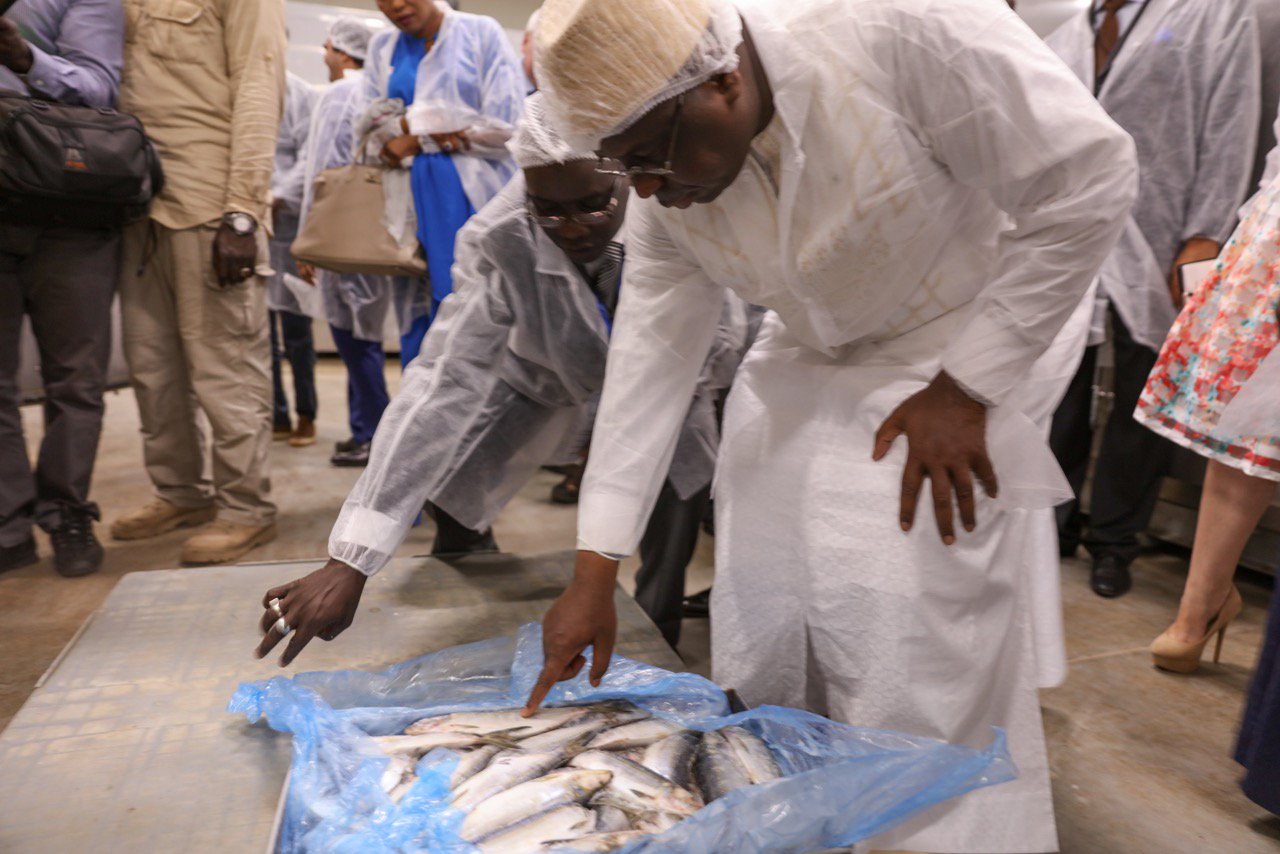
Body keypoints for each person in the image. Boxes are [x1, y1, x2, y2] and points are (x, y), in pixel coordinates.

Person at [522, 0, 1138, 851]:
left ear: (724, 80)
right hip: (810, 339)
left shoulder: (903, 29)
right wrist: (595, 568)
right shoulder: (665, 172)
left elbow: (1088, 176)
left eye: (651, 158)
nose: (651, 191)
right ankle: (803, 815)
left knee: (896, 605)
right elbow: (650, 359)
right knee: (763, 594)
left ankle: (930, 825)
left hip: (965, 328)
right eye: (626, 171)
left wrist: (969, 388)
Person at [252, 96, 749, 665]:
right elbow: (444, 378)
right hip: (542, 374)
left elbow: (716, 346)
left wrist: (620, 431)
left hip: (679, 383)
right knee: (452, 477)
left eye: (593, 205)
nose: (572, 227)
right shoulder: (501, 235)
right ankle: (464, 604)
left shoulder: (673, 210)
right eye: (549, 210)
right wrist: (351, 559)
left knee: (674, 489)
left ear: (623, 174)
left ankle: (651, 638)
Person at [1044, 0, 1260, 599]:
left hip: (1160, 225)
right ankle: (1049, 524)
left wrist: (1207, 232)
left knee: (1141, 393)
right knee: (1058, 378)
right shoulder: (1069, 13)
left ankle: (1114, 540)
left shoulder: (1216, 10)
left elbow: (1231, 117)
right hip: (1069, 221)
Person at [110, 0, 285, 565]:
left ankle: (246, 509)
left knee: (227, 374)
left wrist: (242, 210)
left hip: (208, 206)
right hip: (136, 206)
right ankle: (181, 494)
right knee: (153, 372)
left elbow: (260, 87)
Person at [0, 0, 123, 577]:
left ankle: (68, 511)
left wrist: (22, 55)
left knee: (75, 377)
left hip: (66, 207)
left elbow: (99, 89)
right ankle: (8, 525)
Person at [363, 0, 526, 367]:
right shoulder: (382, 46)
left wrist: (414, 133)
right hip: (405, 200)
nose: (396, 5)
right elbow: (370, 126)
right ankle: (416, 416)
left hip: (468, 196)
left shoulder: (479, 33)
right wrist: (443, 128)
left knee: (471, 310)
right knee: (414, 319)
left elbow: (505, 125)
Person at [298, 17, 395, 469]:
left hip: (341, 231)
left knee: (354, 341)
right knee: (365, 335)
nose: (323, 54)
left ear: (342, 51)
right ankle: (364, 430)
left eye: (327, 45)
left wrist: (306, 238)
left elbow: (322, 170)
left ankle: (376, 435)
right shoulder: (379, 90)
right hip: (377, 230)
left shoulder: (339, 93)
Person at [269, 72, 320, 448]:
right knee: (258, 334)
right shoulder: (236, 82)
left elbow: (310, 154)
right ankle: (276, 414)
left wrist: (276, 195)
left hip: (286, 224)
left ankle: (306, 414)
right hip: (246, 222)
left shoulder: (298, 91)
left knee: (296, 330)